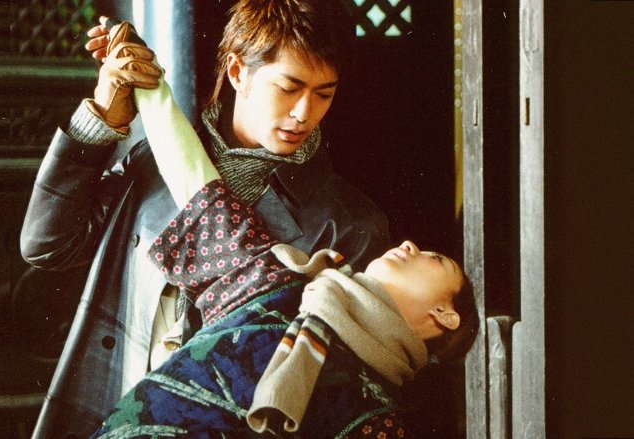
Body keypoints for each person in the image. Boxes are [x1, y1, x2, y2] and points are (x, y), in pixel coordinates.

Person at [20, 1, 390, 437]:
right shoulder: (154, 164)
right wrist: (101, 117)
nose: (304, 112)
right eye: (289, 88)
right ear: (237, 72)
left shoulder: (349, 225)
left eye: (323, 93)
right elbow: (47, 245)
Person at [86, 45, 479, 437]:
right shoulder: (279, 287)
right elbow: (196, 185)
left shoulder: (378, 421)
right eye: (289, 87)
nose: (410, 245)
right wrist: (147, 76)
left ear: (445, 314)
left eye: (435, 259)